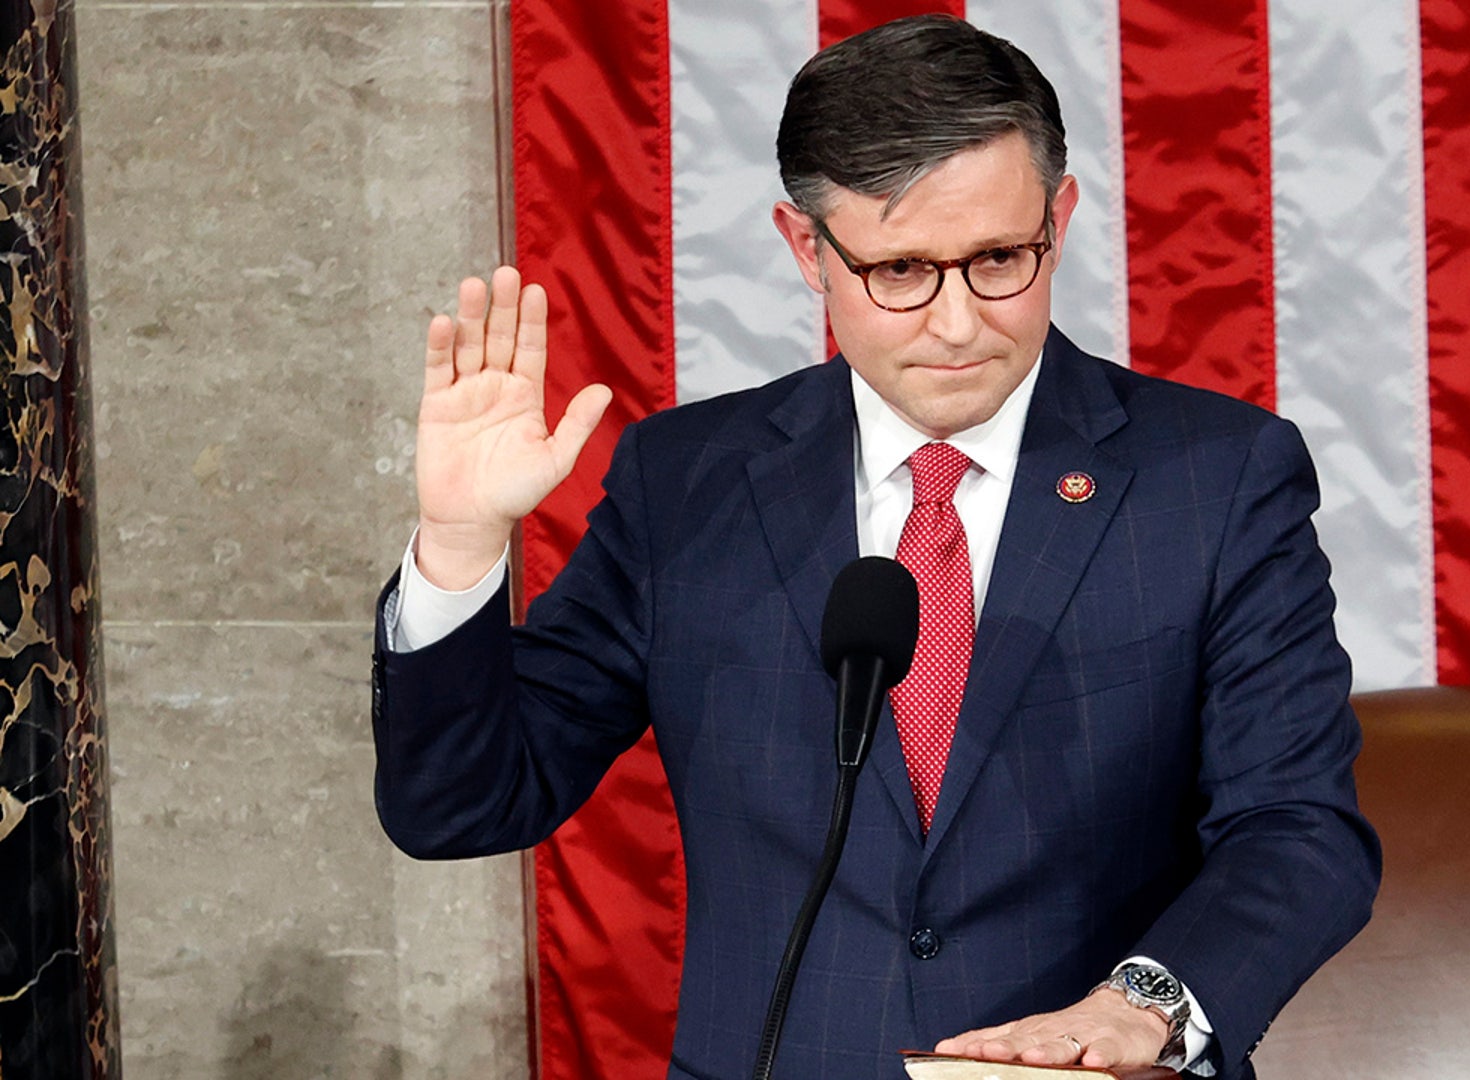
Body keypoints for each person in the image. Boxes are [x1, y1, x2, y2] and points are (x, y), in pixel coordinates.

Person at [372, 14, 1379, 1080]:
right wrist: (460, 547)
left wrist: (1142, 1008)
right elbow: (462, 805)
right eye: (900, 270)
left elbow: (1299, 830)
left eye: (999, 260)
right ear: (807, 249)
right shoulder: (687, 484)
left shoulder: (1217, 479)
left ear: (1060, 219)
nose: (957, 324)